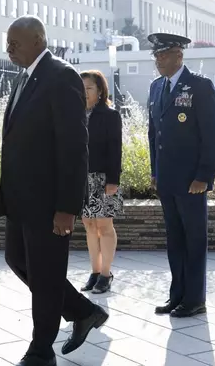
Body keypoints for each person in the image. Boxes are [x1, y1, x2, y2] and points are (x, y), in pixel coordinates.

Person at [0, 15, 108, 366]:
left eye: (15, 42)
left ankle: (40, 350)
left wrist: (67, 207)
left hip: (48, 202)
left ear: (38, 40)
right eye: (8, 42)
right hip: (22, 199)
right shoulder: (24, 77)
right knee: (17, 260)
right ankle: (81, 310)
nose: (9, 48)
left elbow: (75, 146)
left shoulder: (61, 77)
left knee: (45, 275)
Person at [147, 33, 215, 318]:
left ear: (179, 55)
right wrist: (155, 171)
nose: (158, 60)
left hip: (192, 181)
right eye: (155, 56)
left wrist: (204, 176)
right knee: (175, 239)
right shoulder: (156, 88)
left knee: (193, 240)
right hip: (167, 180)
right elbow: (154, 134)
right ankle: (176, 294)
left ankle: (194, 299)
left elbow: (213, 136)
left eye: (163, 55)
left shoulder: (200, 87)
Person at [78, 70, 123, 295]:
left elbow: (116, 150)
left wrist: (113, 180)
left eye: (89, 88)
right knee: (89, 225)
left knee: (104, 226)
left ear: (100, 90)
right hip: (81, 179)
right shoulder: (74, 113)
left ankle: (106, 274)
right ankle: (94, 273)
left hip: (104, 179)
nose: (84, 93)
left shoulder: (110, 115)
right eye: (81, 88)